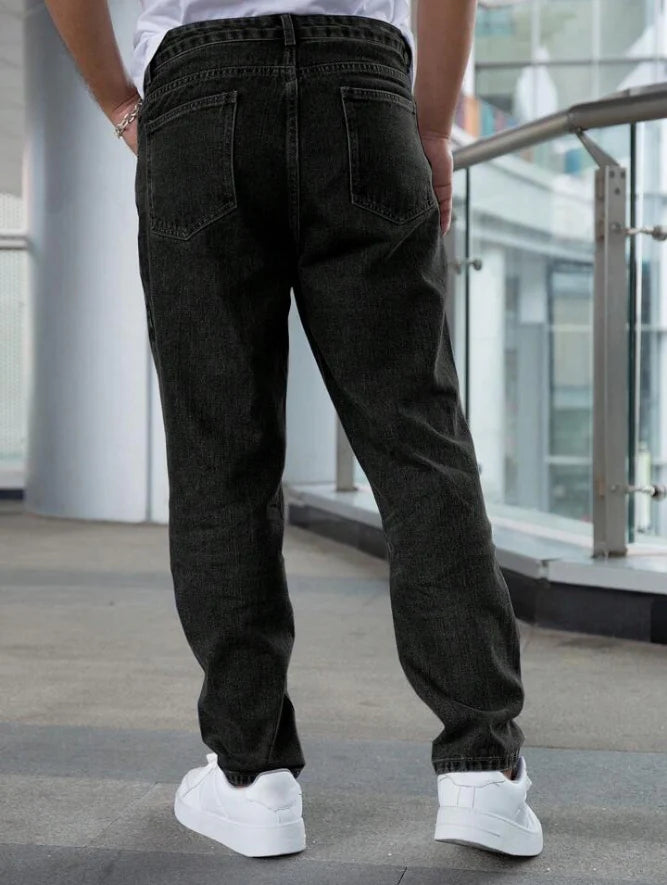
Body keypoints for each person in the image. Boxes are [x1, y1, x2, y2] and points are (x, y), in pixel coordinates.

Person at [44, 0, 543, 860]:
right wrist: (429, 128)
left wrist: (122, 104)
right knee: (417, 446)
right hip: (363, 88)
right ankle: (482, 771)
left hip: (198, 97)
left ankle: (252, 777)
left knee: (219, 456)